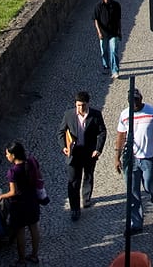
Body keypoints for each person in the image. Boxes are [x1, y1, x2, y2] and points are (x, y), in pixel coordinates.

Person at [115, 88, 153, 234]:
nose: (134, 104)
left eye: (136, 100)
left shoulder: (152, 111)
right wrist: (117, 157)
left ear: (141, 98)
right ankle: (136, 223)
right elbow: (120, 136)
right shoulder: (125, 115)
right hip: (130, 159)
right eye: (131, 101)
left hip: (149, 157)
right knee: (132, 191)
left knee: (150, 185)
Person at [59, 90, 107, 220]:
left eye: (83, 105)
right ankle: (74, 208)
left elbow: (102, 132)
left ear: (88, 104)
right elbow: (61, 132)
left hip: (89, 152)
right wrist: (64, 147)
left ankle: (86, 199)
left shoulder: (95, 115)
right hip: (74, 153)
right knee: (73, 181)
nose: (80, 108)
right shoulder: (68, 115)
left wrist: (98, 149)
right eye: (78, 105)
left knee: (88, 175)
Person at [0, 140, 41, 265]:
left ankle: (21, 259)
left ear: (13, 155)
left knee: (20, 231)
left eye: (7, 154)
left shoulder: (13, 172)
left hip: (19, 205)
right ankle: (34, 255)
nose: (6, 156)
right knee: (34, 229)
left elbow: (13, 192)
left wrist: (1, 196)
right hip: (32, 201)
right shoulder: (31, 163)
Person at [93, 0, 122, 78]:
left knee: (113, 51)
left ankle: (115, 71)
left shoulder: (116, 5)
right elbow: (96, 20)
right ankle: (106, 66)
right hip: (103, 33)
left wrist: (120, 32)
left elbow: (118, 20)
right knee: (104, 51)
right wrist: (99, 32)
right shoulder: (98, 6)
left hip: (113, 33)